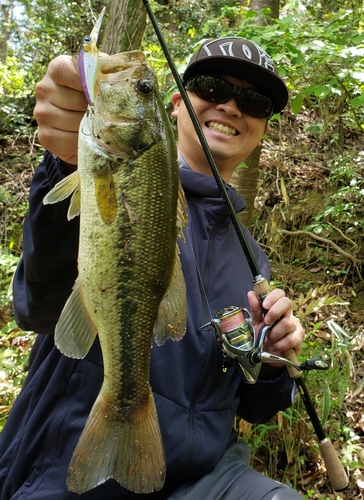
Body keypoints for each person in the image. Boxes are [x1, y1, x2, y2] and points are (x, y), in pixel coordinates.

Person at [0, 36, 304, 499]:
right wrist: (63, 161)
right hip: (66, 480)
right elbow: (37, 306)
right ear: (175, 106)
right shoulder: (100, 170)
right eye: (211, 87)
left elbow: (253, 405)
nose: (230, 106)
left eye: (254, 101)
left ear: (263, 127)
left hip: (208, 477)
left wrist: (276, 362)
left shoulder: (251, 258)